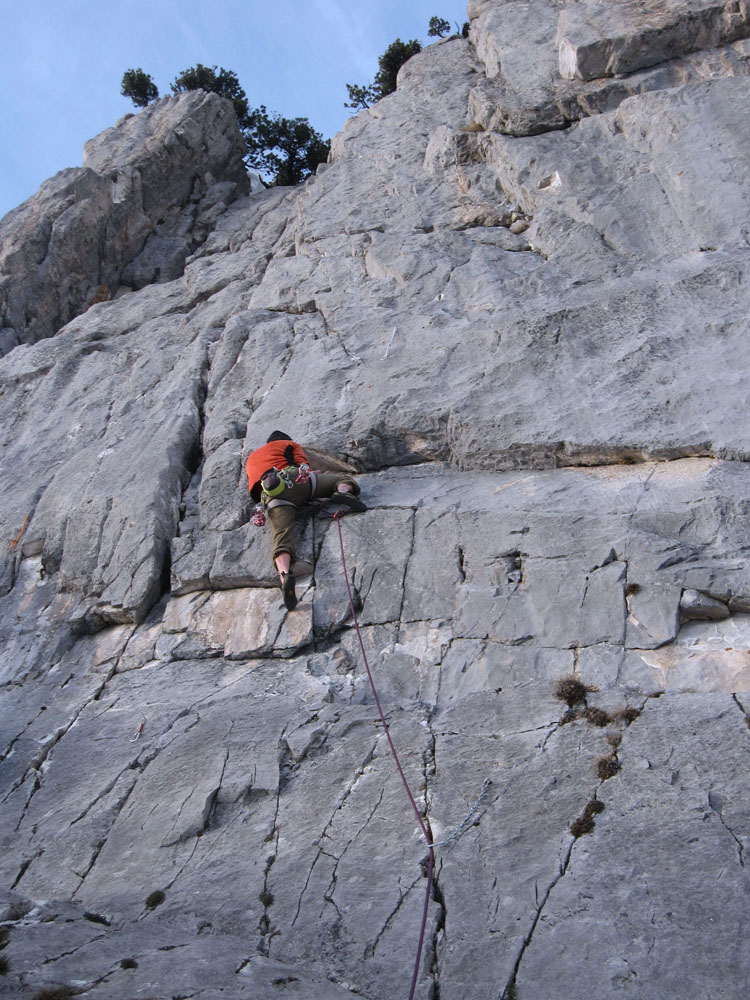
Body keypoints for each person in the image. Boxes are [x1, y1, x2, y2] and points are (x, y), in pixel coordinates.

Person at [246, 431, 366, 610]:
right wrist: (314, 475)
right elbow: (302, 468)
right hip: (294, 480)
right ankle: (342, 491)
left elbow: (255, 491)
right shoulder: (288, 445)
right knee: (343, 478)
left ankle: (285, 575)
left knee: (281, 537)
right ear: (285, 440)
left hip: (272, 496)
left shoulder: (252, 459)